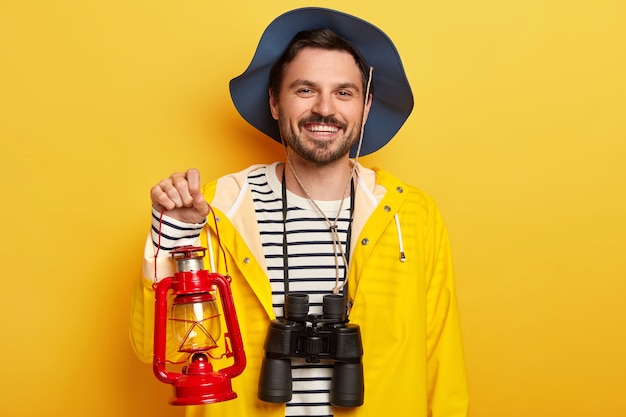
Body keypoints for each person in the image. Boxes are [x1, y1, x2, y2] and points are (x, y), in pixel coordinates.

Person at [130, 7, 469, 417]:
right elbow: (157, 351)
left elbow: (441, 360)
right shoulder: (216, 208)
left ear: (366, 106)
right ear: (274, 101)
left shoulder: (412, 214)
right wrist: (176, 238)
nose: (325, 109)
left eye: (344, 93)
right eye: (305, 90)